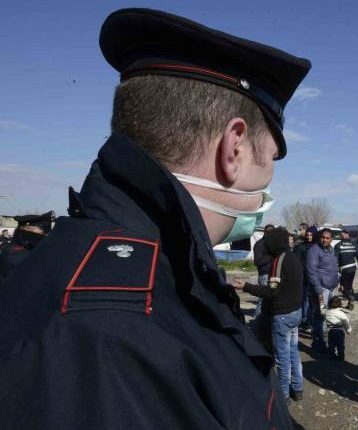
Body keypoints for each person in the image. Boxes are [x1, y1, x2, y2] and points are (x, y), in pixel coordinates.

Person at [0, 8, 310, 428]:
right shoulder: (115, 334)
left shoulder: (146, 267)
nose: (270, 180)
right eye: (271, 158)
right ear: (233, 147)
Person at [234, 227, 304, 402]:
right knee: (293, 351)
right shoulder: (293, 257)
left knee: (282, 358)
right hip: (295, 312)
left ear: (274, 243)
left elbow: (271, 292)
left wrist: (246, 287)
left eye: (268, 243)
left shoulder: (279, 261)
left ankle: (283, 397)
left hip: (283, 315)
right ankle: (298, 388)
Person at [306, 227, 339, 353]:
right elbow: (311, 272)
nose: (324, 240)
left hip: (330, 288)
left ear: (331, 239)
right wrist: (319, 291)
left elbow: (333, 267)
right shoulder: (314, 251)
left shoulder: (330, 250)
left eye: (327, 238)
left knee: (329, 316)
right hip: (321, 289)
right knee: (319, 316)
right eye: (322, 237)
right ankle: (318, 343)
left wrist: (337, 281)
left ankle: (325, 341)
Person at [0, 212, 55, 285]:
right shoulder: (13, 253)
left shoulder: (31, 248)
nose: (46, 236)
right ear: (26, 230)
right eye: (43, 232)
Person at [334, 229, 358, 310]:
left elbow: (335, 259)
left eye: (342, 234)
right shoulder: (353, 245)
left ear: (347, 235)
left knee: (343, 288)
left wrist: (334, 269)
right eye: (341, 235)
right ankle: (350, 304)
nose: (341, 236)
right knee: (349, 286)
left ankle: (351, 299)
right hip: (353, 269)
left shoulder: (338, 245)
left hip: (344, 269)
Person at [294, 228, 316, 327]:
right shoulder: (300, 246)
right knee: (304, 298)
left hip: (314, 277)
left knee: (312, 299)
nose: (309, 237)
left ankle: (309, 319)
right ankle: (304, 319)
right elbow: (296, 262)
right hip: (303, 277)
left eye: (311, 235)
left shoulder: (317, 246)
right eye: (307, 235)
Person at [324, 295, 351, 361]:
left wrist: (321, 304)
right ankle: (341, 356)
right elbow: (346, 321)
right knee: (340, 344)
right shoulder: (341, 313)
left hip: (331, 330)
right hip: (339, 331)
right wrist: (348, 330)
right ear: (340, 304)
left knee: (331, 344)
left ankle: (332, 355)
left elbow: (322, 311)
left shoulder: (327, 312)